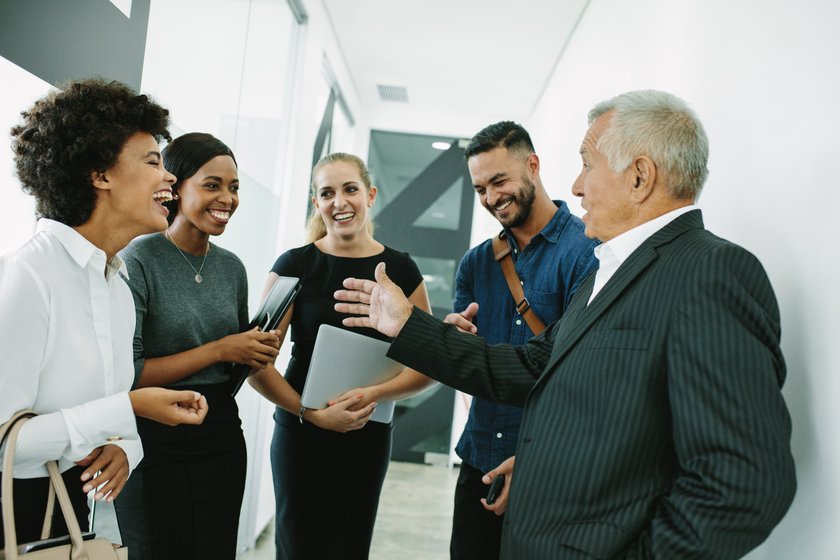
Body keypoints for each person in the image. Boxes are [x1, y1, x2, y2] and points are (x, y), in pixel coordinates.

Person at [335, 90, 797, 559]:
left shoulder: (710, 271)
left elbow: (744, 482)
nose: (576, 187)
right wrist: (408, 325)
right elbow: (534, 366)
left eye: (587, 166)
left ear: (639, 176)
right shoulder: (610, 268)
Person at [0, 79, 209, 548]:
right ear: (100, 175)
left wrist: (124, 447)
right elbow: (3, 445)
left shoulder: (117, 285)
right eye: (153, 162)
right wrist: (130, 407)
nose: (169, 177)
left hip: (69, 515)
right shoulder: (25, 275)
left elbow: (108, 422)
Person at [245, 152, 434, 559]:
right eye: (326, 193)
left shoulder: (401, 269)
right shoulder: (295, 264)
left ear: (370, 194)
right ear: (316, 203)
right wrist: (308, 412)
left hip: (366, 437)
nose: (339, 202)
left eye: (350, 189)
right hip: (301, 434)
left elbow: (427, 365)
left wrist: (372, 396)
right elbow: (254, 362)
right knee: (298, 547)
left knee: (350, 548)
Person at [112, 133, 279, 559]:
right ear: (175, 186)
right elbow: (129, 373)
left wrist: (251, 352)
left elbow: (230, 370)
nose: (227, 198)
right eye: (212, 184)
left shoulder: (232, 268)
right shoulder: (138, 258)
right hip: (152, 432)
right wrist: (223, 349)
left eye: (234, 187)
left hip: (220, 431)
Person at [447, 121, 597, 559]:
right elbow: (469, 370)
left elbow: (583, 377)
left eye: (499, 181)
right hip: (478, 461)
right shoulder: (475, 264)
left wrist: (535, 466)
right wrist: (455, 341)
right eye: (480, 189)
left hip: (548, 470)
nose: (491, 198)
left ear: (533, 165)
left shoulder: (586, 253)